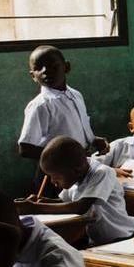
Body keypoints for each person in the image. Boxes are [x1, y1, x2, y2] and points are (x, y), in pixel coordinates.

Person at [18, 45, 108, 197]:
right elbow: (25, 148)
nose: (46, 70)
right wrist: (63, 158)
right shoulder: (41, 105)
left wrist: (93, 139)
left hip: (80, 167)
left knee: (80, 210)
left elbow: (77, 128)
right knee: (55, 212)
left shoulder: (76, 95)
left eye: (53, 65)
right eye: (39, 68)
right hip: (56, 174)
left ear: (66, 67)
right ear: (33, 76)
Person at [16, 136, 134, 246]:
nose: (53, 182)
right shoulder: (77, 173)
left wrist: (35, 208)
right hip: (99, 242)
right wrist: (40, 201)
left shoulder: (102, 173)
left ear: (76, 171)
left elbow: (81, 207)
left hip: (122, 239)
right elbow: (64, 202)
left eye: (56, 177)